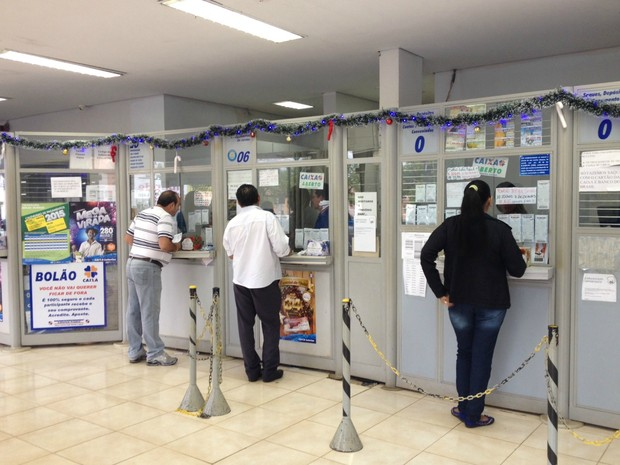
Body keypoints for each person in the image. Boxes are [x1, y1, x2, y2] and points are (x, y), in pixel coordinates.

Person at [420, 179, 526, 428]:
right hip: (492, 305)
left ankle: (464, 407)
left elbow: (426, 256)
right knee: (481, 357)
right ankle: (473, 414)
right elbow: (518, 270)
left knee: (464, 352)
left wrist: (440, 291)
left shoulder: (450, 226)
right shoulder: (500, 230)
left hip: (458, 303)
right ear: (489, 202)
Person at [223, 184, 291, 382]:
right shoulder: (267, 218)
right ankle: (269, 370)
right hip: (264, 280)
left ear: (237, 202)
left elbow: (230, 254)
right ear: (259, 199)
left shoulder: (232, 223)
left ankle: (251, 371)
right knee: (270, 325)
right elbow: (281, 248)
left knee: (245, 326)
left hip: (241, 281)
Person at [124, 190, 182, 366]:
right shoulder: (165, 217)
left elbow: (128, 238)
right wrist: (177, 246)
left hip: (132, 263)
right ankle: (156, 353)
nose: (177, 210)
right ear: (171, 205)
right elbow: (164, 245)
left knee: (133, 310)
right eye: (177, 206)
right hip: (148, 268)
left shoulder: (143, 213)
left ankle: (134, 350)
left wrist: (144, 244)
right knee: (149, 311)